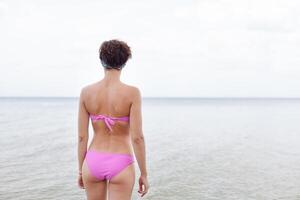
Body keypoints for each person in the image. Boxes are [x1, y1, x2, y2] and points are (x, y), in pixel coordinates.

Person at [77, 39, 149, 200]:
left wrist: (81, 170)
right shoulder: (132, 93)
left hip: (93, 161)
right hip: (121, 162)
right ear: (124, 62)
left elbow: (82, 137)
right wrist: (144, 174)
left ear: (101, 60)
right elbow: (137, 138)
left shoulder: (86, 93)